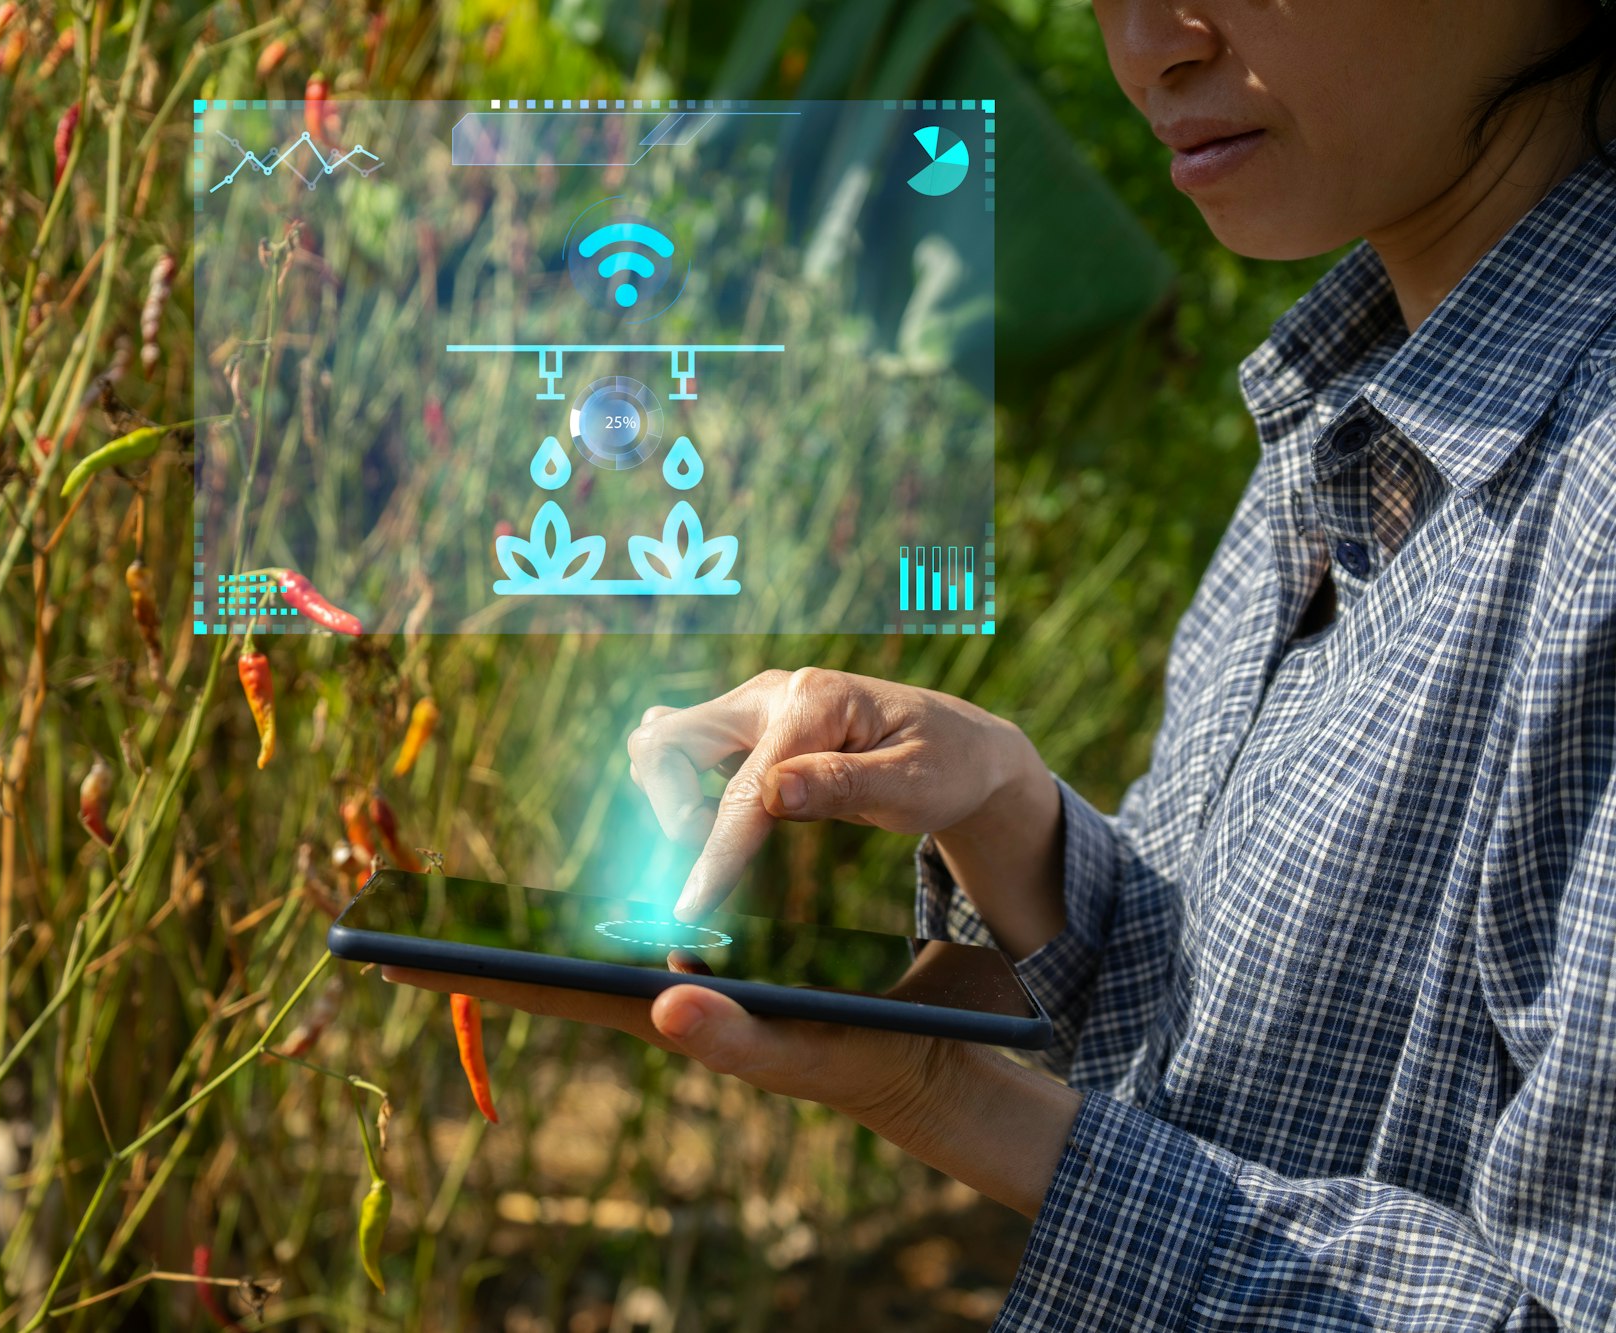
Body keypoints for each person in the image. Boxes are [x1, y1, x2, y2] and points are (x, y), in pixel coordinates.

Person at [385, 1, 1616, 1324]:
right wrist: (1010, 825)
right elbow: (1247, 1065)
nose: (1149, 41)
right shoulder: (1344, 419)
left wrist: (948, 1096)